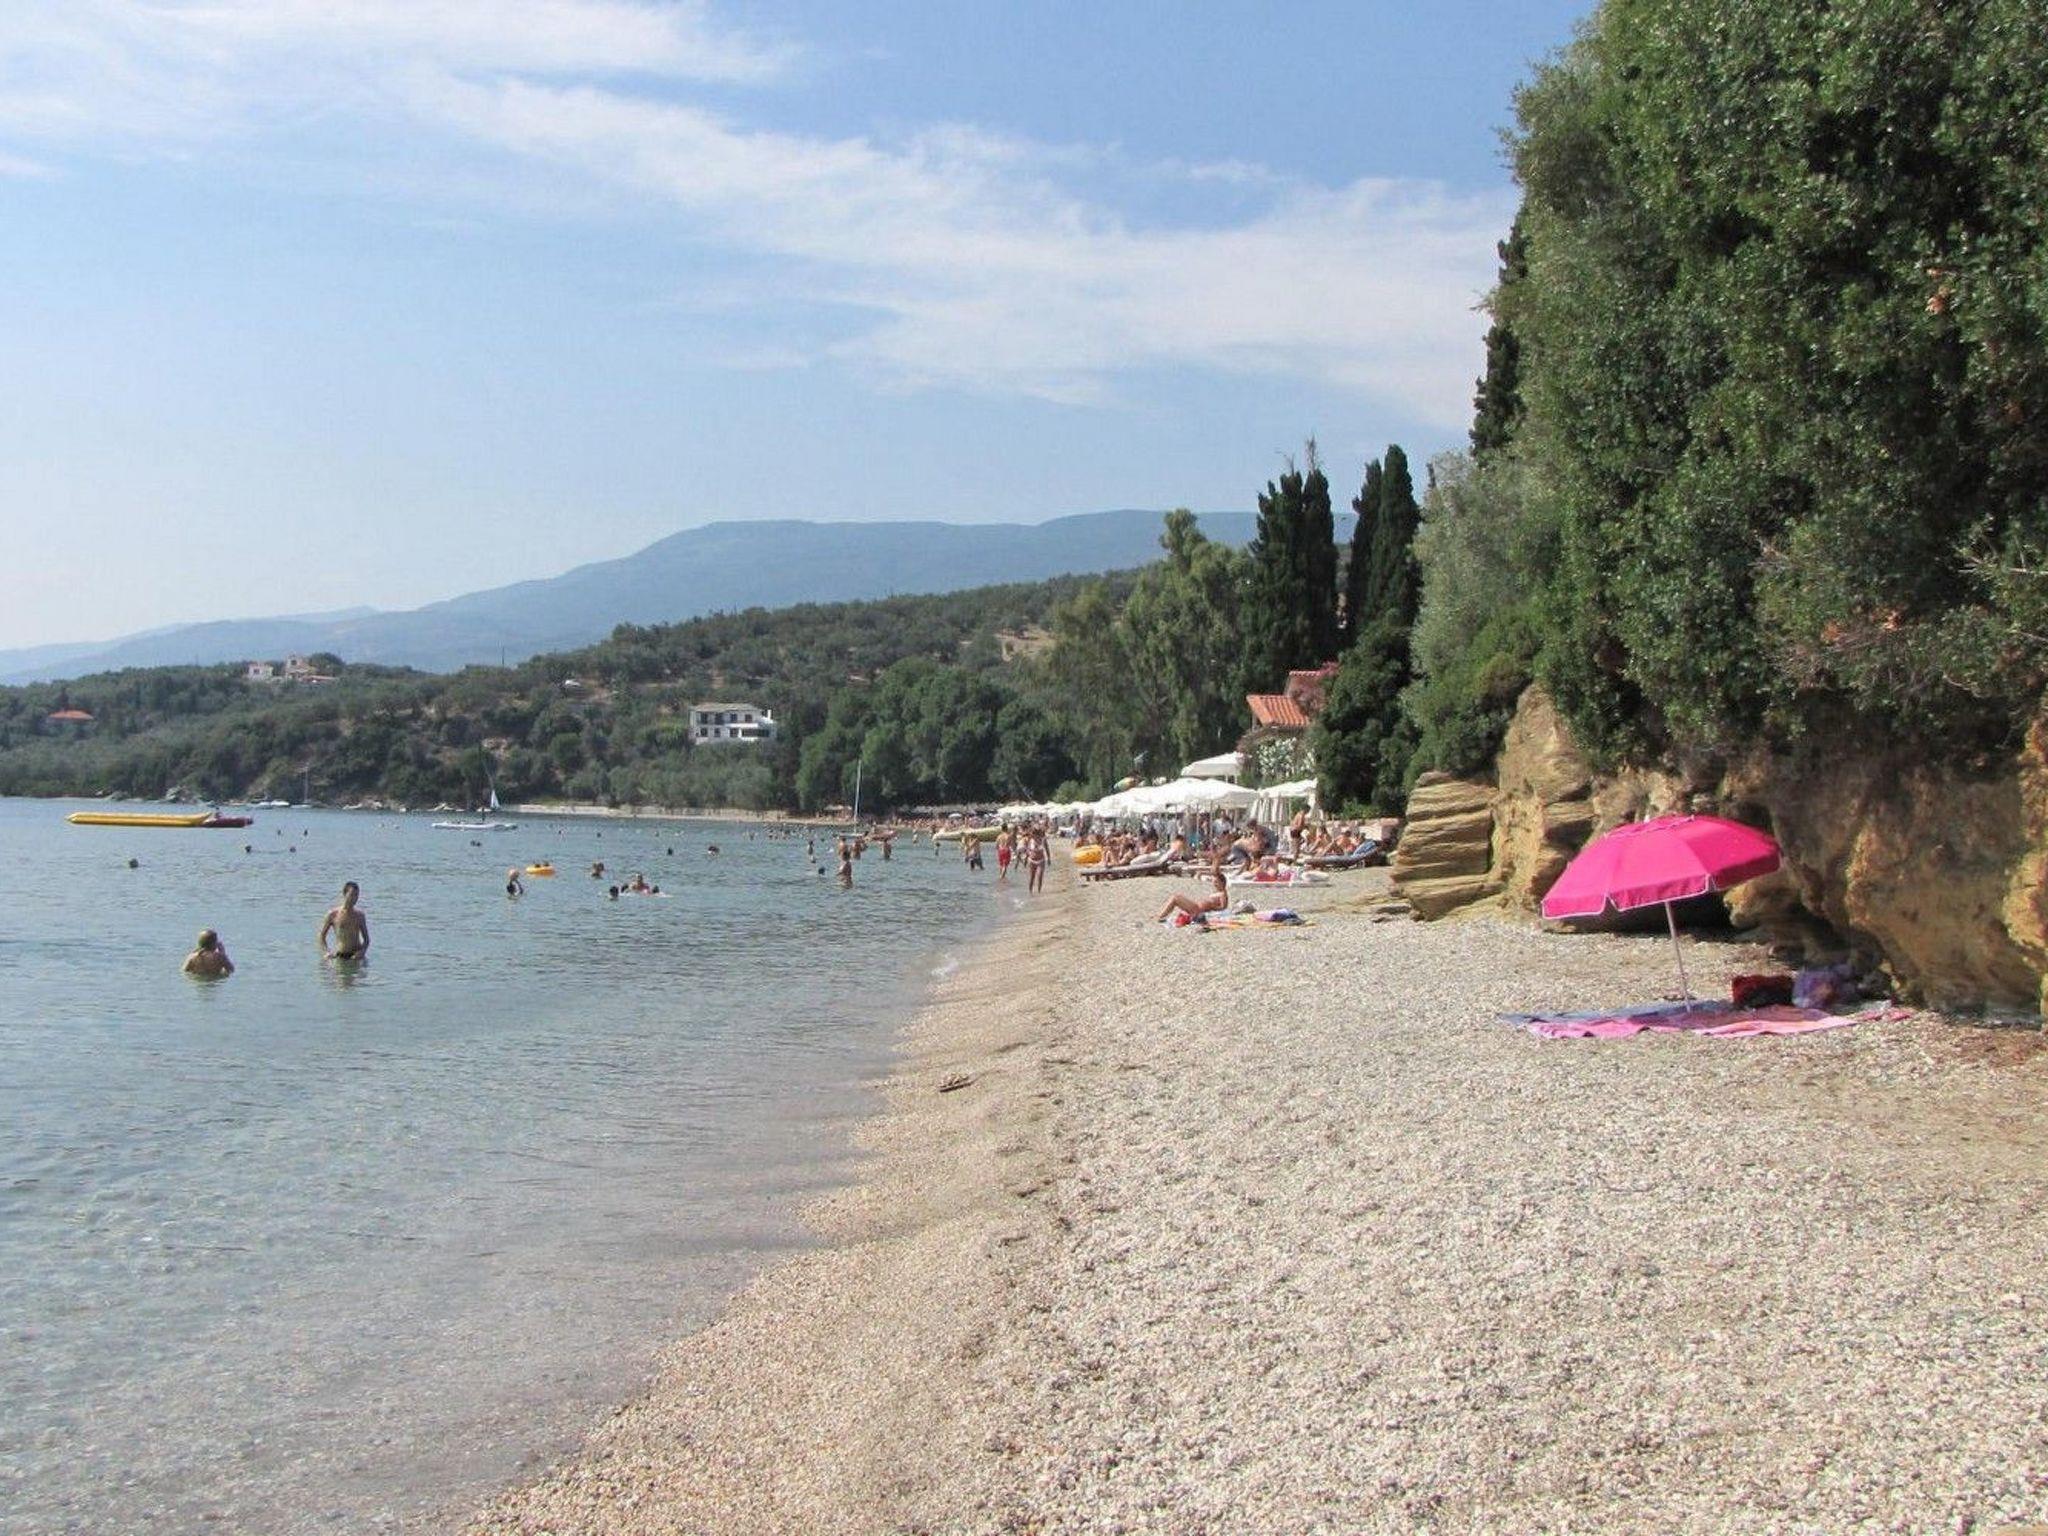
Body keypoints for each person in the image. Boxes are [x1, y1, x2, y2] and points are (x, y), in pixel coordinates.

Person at [1155, 867, 1228, 926]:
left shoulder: (1223, 893)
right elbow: (1206, 876)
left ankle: (1160, 916)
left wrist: (1212, 907)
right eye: (1214, 882)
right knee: (1175, 897)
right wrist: (1202, 873)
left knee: (1175, 898)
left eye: (1216, 882)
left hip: (1197, 909)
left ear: (1222, 882)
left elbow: (1223, 907)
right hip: (1197, 907)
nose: (1214, 884)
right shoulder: (1217, 892)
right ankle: (1161, 915)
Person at [319, 881, 370, 960]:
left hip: (356, 956)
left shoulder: (360, 915)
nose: (355, 898)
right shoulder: (333, 914)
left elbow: (366, 940)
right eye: (352, 895)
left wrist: (362, 951)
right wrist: (326, 951)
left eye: (356, 895)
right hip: (340, 955)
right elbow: (321, 936)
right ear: (345, 894)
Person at [1026, 829, 1049, 894]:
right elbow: (1027, 849)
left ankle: (1039, 892)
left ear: (1037, 834)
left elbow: (1047, 849)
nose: (1032, 836)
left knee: (1039, 876)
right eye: (1031, 835)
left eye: (1033, 835)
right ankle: (1030, 892)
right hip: (1032, 861)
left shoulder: (1043, 840)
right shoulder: (1030, 841)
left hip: (1041, 861)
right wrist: (1029, 853)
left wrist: (1049, 858)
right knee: (1032, 877)